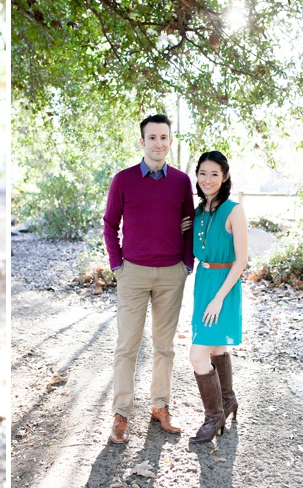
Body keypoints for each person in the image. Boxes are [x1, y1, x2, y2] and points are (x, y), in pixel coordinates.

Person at [103, 114, 195, 444]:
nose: (158, 143)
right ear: (142, 142)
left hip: (172, 274)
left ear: (170, 142)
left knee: (164, 347)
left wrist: (187, 263)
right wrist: (118, 265)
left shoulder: (182, 182)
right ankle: (121, 414)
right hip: (133, 273)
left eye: (164, 137)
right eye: (152, 137)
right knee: (127, 346)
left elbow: (190, 224)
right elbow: (109, 225)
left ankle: (160, 407)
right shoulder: (124, 180)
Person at [182, 151, 247, 443]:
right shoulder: (198, 212)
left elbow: (242, 260)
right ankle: (228, 399)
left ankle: (214, 415)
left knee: (198, 355)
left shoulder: (234, 210)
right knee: (217, 346)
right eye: (203, 173)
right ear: (197, 176)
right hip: (203, 281)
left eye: (215, 174)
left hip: (224, 286)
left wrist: (219, 297)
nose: (208, 180)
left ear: (225, 177)